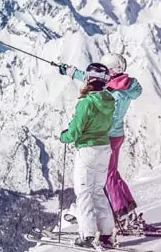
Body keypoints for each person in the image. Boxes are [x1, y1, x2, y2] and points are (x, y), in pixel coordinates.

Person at [59, 53, 146, 234]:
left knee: (107, 178)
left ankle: (120, 215)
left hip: (106, 137)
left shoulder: (114, 92)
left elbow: (96, 81)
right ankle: (126, 211)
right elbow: (96, 79)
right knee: (111, 174)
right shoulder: (124, 85)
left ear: (112, 71)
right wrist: (71, 72)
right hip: (116, 135)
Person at [57, 62, 118, 249]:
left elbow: (75, 132)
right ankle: (107, 234)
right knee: (98, 191)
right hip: (104, 148)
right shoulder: (109, 100)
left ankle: (88, 235)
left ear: (90, 79)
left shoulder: (86, 103)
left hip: (88, 151)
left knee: (84, 193)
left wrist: (64, 136)